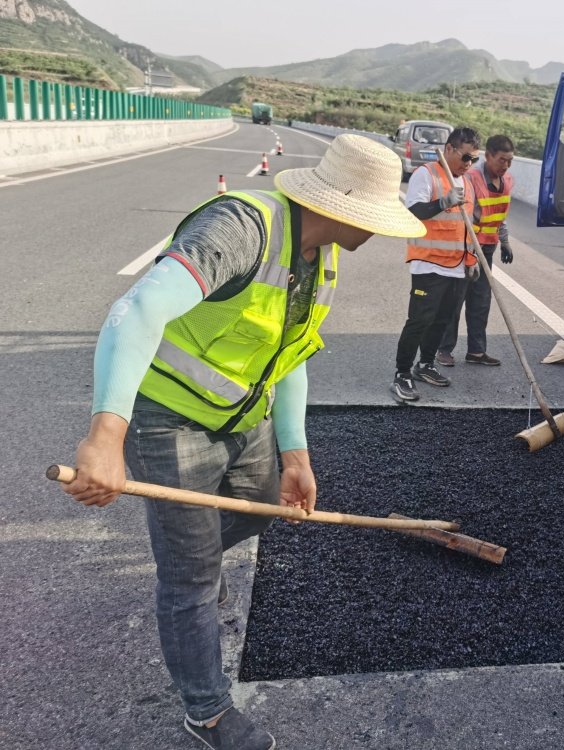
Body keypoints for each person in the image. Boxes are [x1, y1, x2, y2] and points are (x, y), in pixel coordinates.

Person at [59, 134, 425, 750]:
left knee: (263, 505)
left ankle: (190, 559)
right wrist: (105, 434)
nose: (383, 233)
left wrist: (295, 454)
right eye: (376, 217)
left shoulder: (321, 257)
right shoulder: (240, 229)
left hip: (241, 418)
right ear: (339, 206)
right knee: (193, 579)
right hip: (166, 417)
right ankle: (206, 710)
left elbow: (290, 356)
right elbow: (137, 308)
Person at [390, 127, 481, 402]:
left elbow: (466, 227)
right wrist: (442, 202)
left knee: (443, 320)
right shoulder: (426, 174)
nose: (468, 164)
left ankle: (426, 365)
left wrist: (472, 260)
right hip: (428, 264)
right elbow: (414, 212)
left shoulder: (467, 181)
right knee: (420, 320)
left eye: (473, 160)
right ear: (450, 149)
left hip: (456, 266)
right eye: (465, 157)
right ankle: (402, 373)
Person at [436, 134, 515, 368]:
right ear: (488, 156)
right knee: (455, 301)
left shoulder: (507, 180)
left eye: (510, 161)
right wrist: (469, 254)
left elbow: (501, 215)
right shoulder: (470, 179)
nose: (506, 165)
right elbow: (464, 218)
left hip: (487, 249)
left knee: (481, 302)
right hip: (467, 248)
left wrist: (505, 241)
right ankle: (444, 349)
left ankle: (477, 352)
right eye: (502, 160)